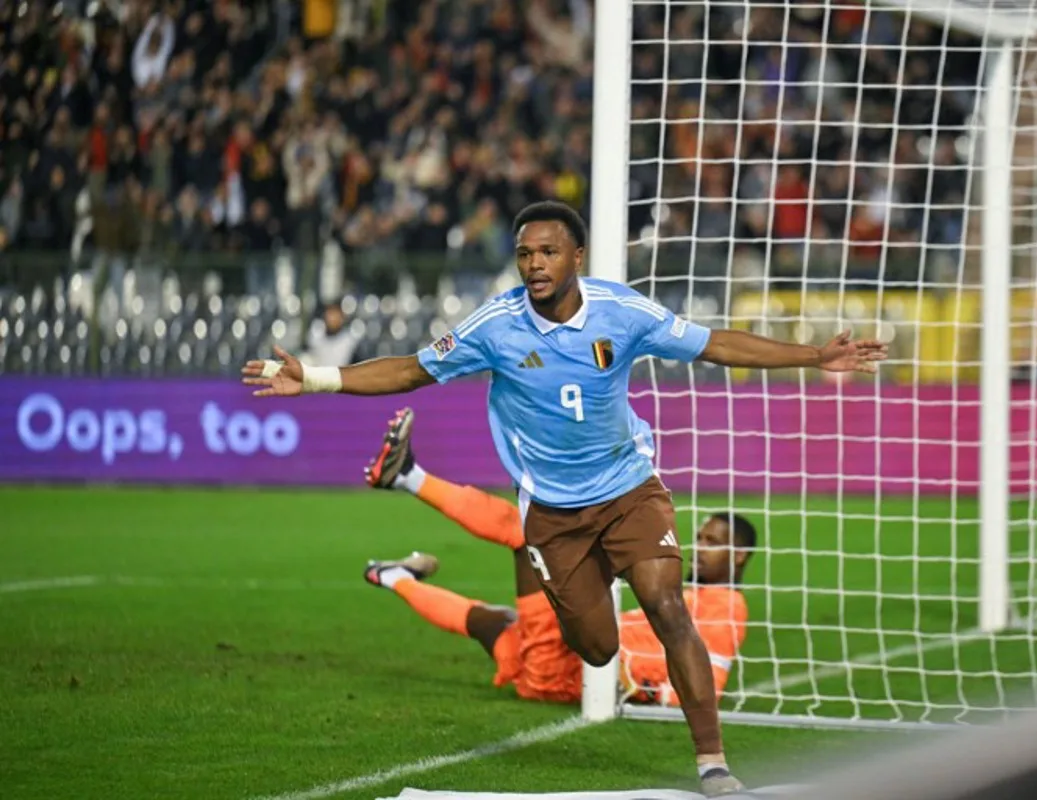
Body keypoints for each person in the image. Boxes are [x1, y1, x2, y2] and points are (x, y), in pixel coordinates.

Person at [242, 200, 888, 796]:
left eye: (547, 252)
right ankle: (558, 581)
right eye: (525, 254)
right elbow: (412, 368)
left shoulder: (621, 311)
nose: (534, 265)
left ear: (576, 256)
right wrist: (318, 379)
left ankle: (712, 761)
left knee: (667, 605)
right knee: (597, 649)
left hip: (630, 488)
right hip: (553, 513)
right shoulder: (496, 325)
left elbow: (714, 343)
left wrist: (813, 356)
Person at [361, 408, 754, 708]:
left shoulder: (728, 606)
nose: (699, 547)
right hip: (559, 664)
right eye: (700, 537)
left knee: (523, 530)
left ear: (739, 557)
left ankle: (406, 476)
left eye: (712, 542)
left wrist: (645, 692)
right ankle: (392, 576)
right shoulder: (685, 593)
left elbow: (710, 684)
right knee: (491, 619)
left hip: (567, 669)